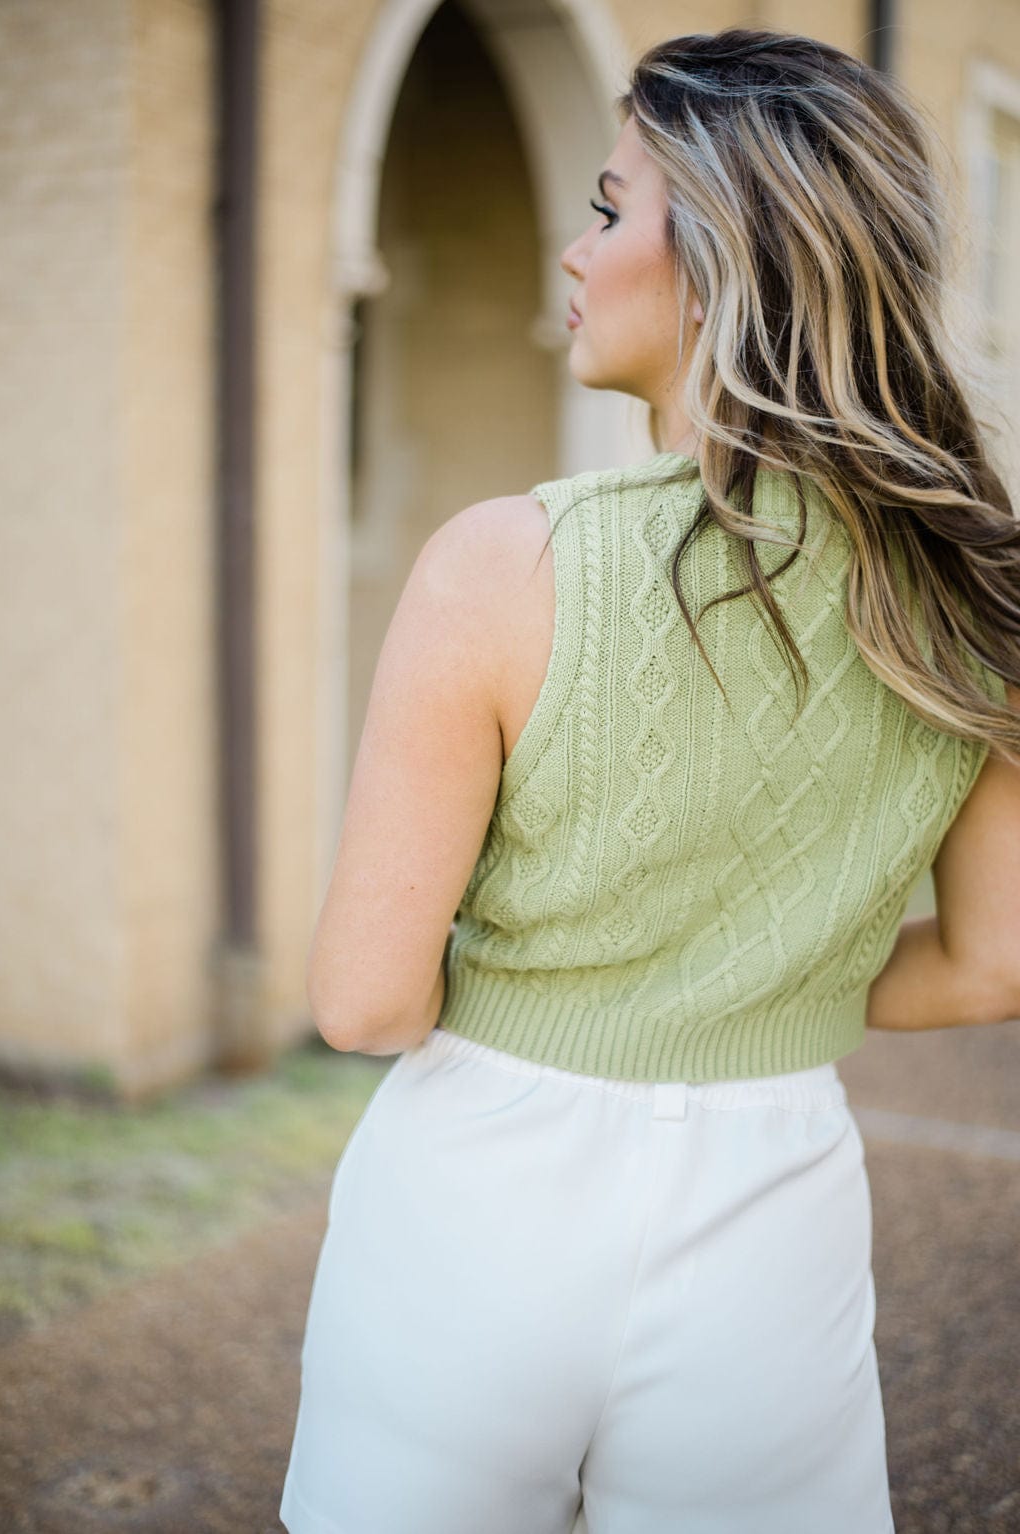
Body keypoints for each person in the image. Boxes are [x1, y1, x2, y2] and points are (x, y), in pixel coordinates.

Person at [280, 26, 1020, 1534]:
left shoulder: (502, 566)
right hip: (777, 1204)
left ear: (724, 262)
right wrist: (766, 983)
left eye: (612, 209)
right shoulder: (968, 589)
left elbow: (365, 1001)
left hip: (475, 1202)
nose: (573, 245)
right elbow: (998, 960)